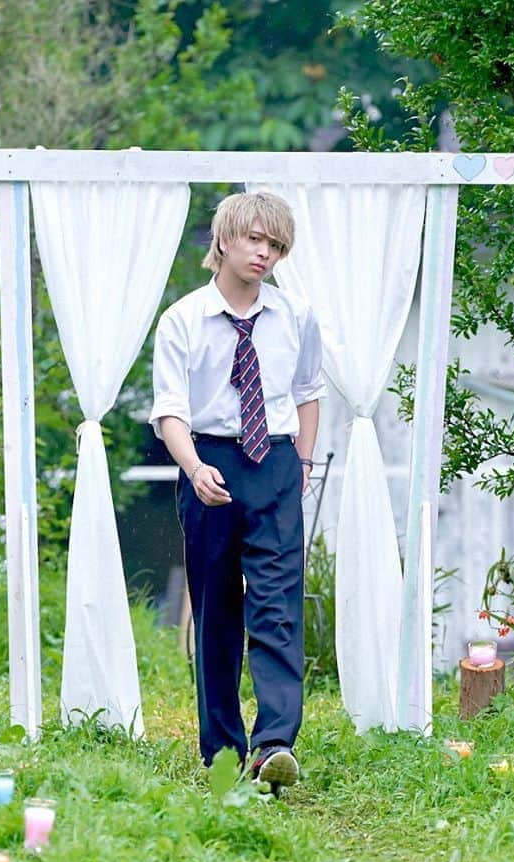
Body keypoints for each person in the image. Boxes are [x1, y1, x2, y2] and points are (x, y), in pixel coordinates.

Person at [150, 191, 326, 791]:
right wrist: (195, 468)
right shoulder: (182, 321)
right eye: (255, 239)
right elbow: (170, 411)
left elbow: (307, 392)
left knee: (277, 606)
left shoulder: (296, 316)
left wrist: (301, 461)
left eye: (275, 245)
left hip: (274, 462)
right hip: (209, 461)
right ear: (224, 240)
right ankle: (222, 749)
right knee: (216, 612)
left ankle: (275, 742)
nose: (264, 253)